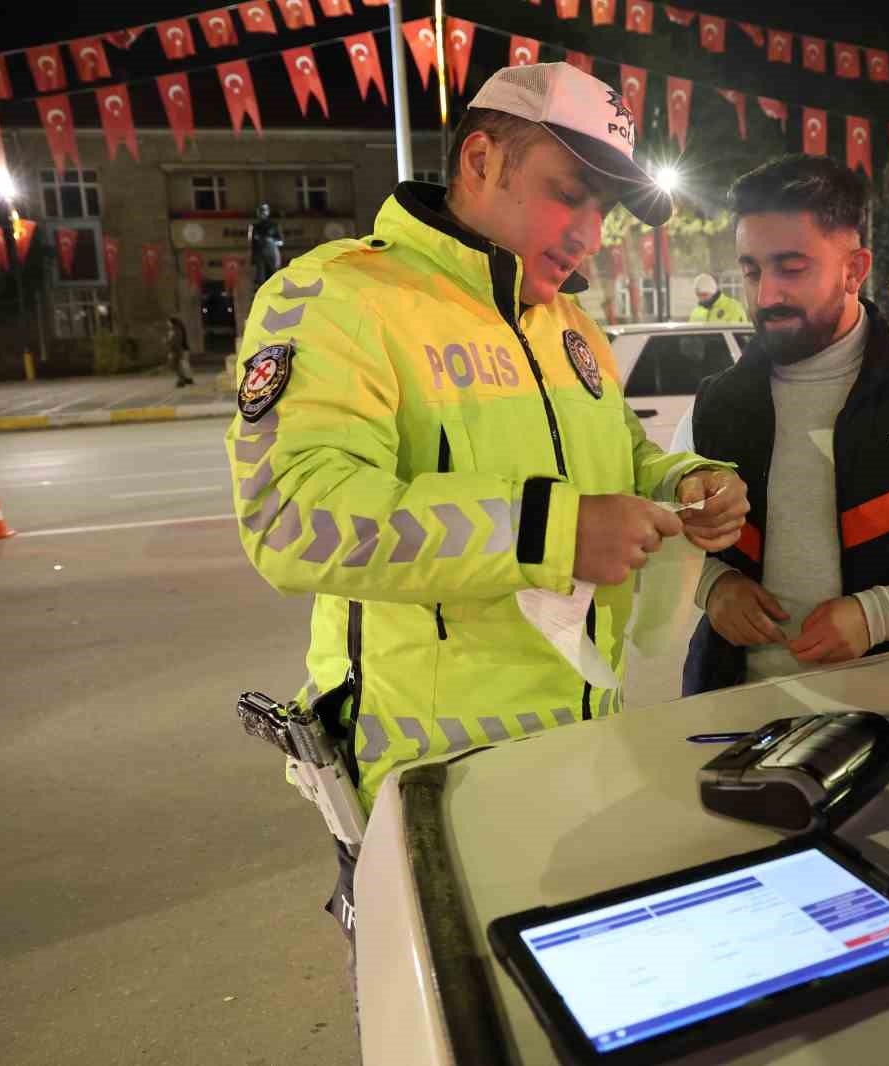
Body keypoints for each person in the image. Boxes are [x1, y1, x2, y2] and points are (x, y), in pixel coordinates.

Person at [224, 62, 749, 964]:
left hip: (584, 755)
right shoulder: (341, 299)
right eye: (568, 195)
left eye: (603, 211)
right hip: (431, 793)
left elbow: (622, 458)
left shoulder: (569, 326)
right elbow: (290, 513)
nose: (589, 234)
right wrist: (554, 531)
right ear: (479, 160)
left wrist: (686, 483)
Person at [670, 155, 889, 693]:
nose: (766, 296)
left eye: (791, 268)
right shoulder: (713, 407)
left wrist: (877, 616)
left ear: (855, 270)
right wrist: (714, 587)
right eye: (751, 270)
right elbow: (665, 537)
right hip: (735, 705)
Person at [249, 202, 284, 285]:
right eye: (260, 211)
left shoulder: (275, 226)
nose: (263, 213)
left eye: (264, 210)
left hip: (272, 255)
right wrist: (253, 258)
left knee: (273, 278)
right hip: (260, 256)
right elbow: (252, 243)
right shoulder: (254, 227)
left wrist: (271, 241)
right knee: (261, 280)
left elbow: (281, 242)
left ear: (268, 212)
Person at [165, 316, 194, 387]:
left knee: (181, 365)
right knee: (183, 365)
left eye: (168, 322)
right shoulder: (179, 329)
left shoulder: (176, 330)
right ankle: (187, 379)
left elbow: (175, 341)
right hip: (181, 349)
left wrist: (168, 342)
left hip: (180, 350)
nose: (167, 323)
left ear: (172, 323)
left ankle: (185, 380)